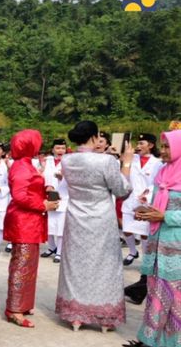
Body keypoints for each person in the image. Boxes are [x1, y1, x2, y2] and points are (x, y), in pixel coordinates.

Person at [56, 121, 133, 332]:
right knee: (105, 265)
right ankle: (104, 316)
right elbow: (122, 190)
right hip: (101, 218)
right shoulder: (106, 161)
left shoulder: (67, 160)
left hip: (76, 217)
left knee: (76, 265)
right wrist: (126, 164)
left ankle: (75, 315)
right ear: (94, 136)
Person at [124, 129, 181, 347]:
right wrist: (145, 213)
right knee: (155, 289)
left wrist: (164, 217)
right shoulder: (163, 173)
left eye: (168, 147)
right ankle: (148, 335)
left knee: (176, 296)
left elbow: (168, 212)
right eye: (164, 147)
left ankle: (175, 344)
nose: (164, 151)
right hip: (156, 242)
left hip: (175, 246)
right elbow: (157, 204)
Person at [2, 130, 59, 328]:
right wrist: (44, 204)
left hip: (30, 222)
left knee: (29, 264)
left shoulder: (25, 164)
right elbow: (20, 196)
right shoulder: (21, 167)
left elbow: (27, 191)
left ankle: (23, 303)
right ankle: (14, 308)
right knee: (22, 265)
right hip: (23, 222)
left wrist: (46, 191)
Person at [121, 134, 163, 266]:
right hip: (130, 199)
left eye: (141, 144)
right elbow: (124, 176)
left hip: (146, 201)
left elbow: (157, 182)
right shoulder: (131, 159)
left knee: (144, 233)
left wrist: (147, 194)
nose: (138, 146)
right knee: (126, 229)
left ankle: (146, 258)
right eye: (137, 144)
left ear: (150, 145)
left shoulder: (157, 163)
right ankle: (133, 251)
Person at [42, 139, 69, 263]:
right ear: (53, 149)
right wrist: (47, 184)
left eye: (63, 148)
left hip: (63, 197)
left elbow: (74, 181)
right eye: (57, 148)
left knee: (60, 226)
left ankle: (59, 252)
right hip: (47, 196)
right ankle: (51, 247)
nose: (60, 151)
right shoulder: (47, 161)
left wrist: (62, 178)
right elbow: (43, 175)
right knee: (49, 225)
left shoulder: (69, 162)